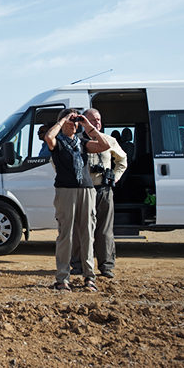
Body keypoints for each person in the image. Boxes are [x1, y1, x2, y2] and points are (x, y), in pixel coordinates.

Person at [44, 108, 109, 292]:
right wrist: (63, 120)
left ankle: (89, 277)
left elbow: (104, 145)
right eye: (70, 121)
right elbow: (49, 138)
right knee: (66, 235)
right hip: (65, 191)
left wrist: (86, 124)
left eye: (75, 121)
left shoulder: (82, 143)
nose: (73, 124)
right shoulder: (58, 143)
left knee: (87, 234)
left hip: (86, 190)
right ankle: (63, 277)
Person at [71, 109, 127, 279]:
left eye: (99, 120)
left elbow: (122, 161)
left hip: (104, 190)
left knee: (104, 230)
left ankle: (106, 266)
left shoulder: (109, 141)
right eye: (93, 120)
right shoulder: (77, 141)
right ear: (84, 122)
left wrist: (115, 178)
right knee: (81, 229)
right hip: (83, 191)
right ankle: (78, 265)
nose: (97, 122)